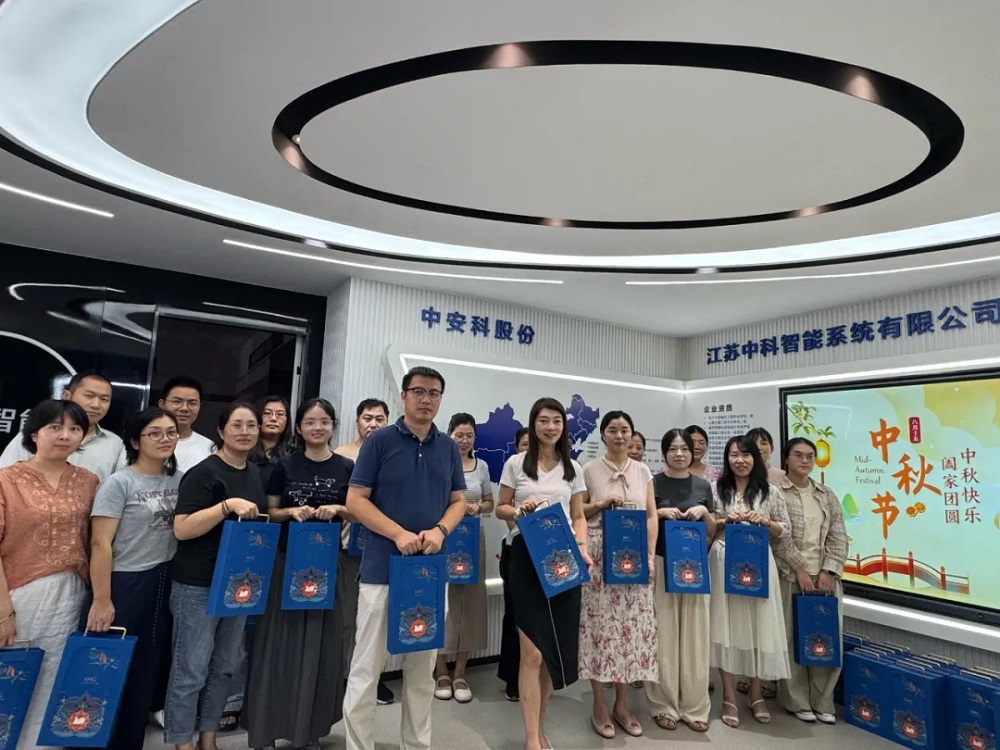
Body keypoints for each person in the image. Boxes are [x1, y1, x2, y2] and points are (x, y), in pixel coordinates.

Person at [343, 367, 467, 750]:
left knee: (421, 672)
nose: (426, 399)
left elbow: (458, 501)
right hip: (381, 571)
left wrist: (441, 530)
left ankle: (416, 745)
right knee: (366, 669)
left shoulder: (448, 447)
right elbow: (355, 500)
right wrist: (397, 533)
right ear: (403, 396)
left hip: (428, 573)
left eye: (434, 393)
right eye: (418, 391)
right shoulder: (379, 441)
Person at [245, 398, 353, 750]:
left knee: (319, 648)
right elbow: (270, 512)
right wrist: (292, 512)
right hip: (286, 563)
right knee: (277, 645)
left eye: (324, 421)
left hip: (327, 564)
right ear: (300, 428)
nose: (317, 427)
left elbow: (357, 511)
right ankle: (266, 729)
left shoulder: (346, 468)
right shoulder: (284, 465)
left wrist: (338, 508)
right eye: (310, 422)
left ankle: (309, 730)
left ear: (333, 426)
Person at [163, 402, 265, 750]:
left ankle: (208, 738)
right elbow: (182, 529)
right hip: (198, 584)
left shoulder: (254, 473)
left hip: (238, 585)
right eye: (236, 425)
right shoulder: (202, 473)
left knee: (225, 667)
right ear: (221, 432)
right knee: (190, 670)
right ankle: (182, 743)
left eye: (251, 425)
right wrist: (225, 506)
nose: (245, 432)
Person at [0, 399, 98, 749]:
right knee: (11, 679)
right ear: (34, 433)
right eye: (55, 427)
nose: (65, 435)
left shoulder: (89, 481)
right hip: (18, 594)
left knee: (55, 679)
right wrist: (4, 613)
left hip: (71, 594)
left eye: (74, 429)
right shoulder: (6, 480)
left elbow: (97, 541)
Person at [84, 407, 182, 750]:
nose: (165, 439)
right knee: (110, 670)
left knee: (147, 671)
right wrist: (102, 599)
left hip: (165, 583)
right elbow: (100, 544)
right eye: (154, 433)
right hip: (126, 583)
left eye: (170, 432)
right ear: (135, 441)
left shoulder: (180, 479)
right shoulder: (119, 483)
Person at [496, 397, 590, 750]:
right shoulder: (516, 463)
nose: (550, 427)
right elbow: (501, 508)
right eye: (543, 421)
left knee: (550, 653)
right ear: (533, 424)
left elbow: (578, 516)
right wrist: (518, 510)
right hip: (525, 556)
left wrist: (582, 548)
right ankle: (531, 738)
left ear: (563, 427)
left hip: (564, 557)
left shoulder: (573, 467)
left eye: (557, 421)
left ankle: (540, 727)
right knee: (532, 653)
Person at [579, 411, 657, 740]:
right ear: (603, 435)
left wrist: (650, 556)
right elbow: (578, 512)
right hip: (599, 556)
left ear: (632, 434)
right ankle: (599, 704)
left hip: (634, 557)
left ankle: (622, 706)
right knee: (600, 630)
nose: (620, 436)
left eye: (625, 430)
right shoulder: (588, 470)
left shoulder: (643, 471)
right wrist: (600, 503)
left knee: (630, 632)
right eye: (612, 430)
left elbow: (651, 515)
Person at [709, 435, 791, 729]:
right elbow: (707, 526)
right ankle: (729, 695)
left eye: (746, 455)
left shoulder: (770, 491)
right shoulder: (715, 489)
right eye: (734, 454)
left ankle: (756, 693)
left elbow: (786, 529)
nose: (740, 460)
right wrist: (723, 521)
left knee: (758, 625)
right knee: (725, 626)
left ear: (755, 458)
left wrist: (766, 522)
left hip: (758, 562)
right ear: (727, 458)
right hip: (723, 559)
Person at [646, 428, 717, 733]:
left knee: (695, 636)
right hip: (663, 563)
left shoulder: (703, 486)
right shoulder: (652, 483)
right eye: (673, 449)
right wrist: (659, 512)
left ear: (693, 452)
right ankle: (664, 705)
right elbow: (642, 523)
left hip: (695, 568)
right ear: (664, 453)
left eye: (685, 449)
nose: (679, 454)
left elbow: (712, 529)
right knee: (664, 634)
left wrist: (705, 513)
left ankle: (695, 706)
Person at [775, 437, 847, 725]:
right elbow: (779, 537)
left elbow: (838, 535)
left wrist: (829, 571)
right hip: (790, 575)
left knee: (825, 638)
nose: (805, 461)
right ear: (786, 458)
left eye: (809, 456)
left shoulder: (826, 494)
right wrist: (800, 569)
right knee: (791, 638)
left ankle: (823, 701)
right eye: (798, 455)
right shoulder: (776, 493)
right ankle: (796, 700)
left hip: (825, 580)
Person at [334, 398, 395, 706]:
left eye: (379, 419)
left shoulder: (392, 455)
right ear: (357, 421)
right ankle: (345, 679)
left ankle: (374, 679)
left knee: (376, 619)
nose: (373, 424)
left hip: (381, 546)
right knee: (347, 618)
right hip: (347, 546)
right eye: (368, 418)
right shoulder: (341, 455)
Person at [435, 413, 493, 704]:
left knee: (469, 603)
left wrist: (476, 507)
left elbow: (490, 503)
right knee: (440, 601)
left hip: (472, 539)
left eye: (469, 435)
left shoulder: (481, 466)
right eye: (459, 435)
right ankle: (440, 671)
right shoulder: (439, 462)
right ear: (449, 435)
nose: (464, 440)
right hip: (442, 537)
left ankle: (460, 672)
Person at [0, 370, 125, 481]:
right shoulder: (39, 433)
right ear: (66, 396)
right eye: (89, 396)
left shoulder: (115, 444)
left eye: (104, 399)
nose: (96, 405)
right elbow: (5, 478)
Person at [496, 426, 529, 702]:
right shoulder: (514, 468)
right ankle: (512, 678)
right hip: (516, 548)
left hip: (547, 554)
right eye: (525, 444)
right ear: (517, 446)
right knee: (515, 617)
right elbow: (506, 513)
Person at [159, 376, 216, 472]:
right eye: (177, 401)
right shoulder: (146, 441)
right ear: (162, 404)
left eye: (192, 403)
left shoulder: (209, 447)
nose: (184, 408)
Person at [250, 395, 293, 486]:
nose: (273, 419)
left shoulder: (293, 456)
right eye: (267, 413)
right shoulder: (245, 451)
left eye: (280, 414)